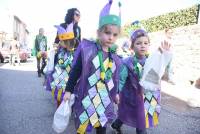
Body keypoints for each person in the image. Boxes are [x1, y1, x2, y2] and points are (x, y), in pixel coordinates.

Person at [63, 0, 122, 133]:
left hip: (104, 98)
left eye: (115, 34)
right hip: (87, 96)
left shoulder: (115, 57)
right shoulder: (88, 50)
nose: (111, 37)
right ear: (99, 32)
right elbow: (76, 71)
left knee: (101, 126)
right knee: (83, 126)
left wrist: (116, 93)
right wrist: (68, 90)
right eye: (107, 33)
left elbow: (115, 78)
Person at [111, 28, 172, 134]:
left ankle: (123, 125)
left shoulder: (151, 60)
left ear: (149, 45)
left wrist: (165, 53)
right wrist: (116, 93)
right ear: (132, 47)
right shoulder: (127, 63)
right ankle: (116, 124)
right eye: (138, 43)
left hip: (146, 97)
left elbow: (161, 64)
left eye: (145, 43)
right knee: (126, 113)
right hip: (131, 97)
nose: (142, 45)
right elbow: (121, 80)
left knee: (141, 119)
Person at [50, 23, 77, 108]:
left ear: (67, 42)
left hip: (68, 80)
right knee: (59, 98)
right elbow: (59, 64)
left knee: (67, 99)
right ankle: (60, 109)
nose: (59, 42)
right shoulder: (61, 52)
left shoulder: (73, 53)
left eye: (61, 41)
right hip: (60, 79)